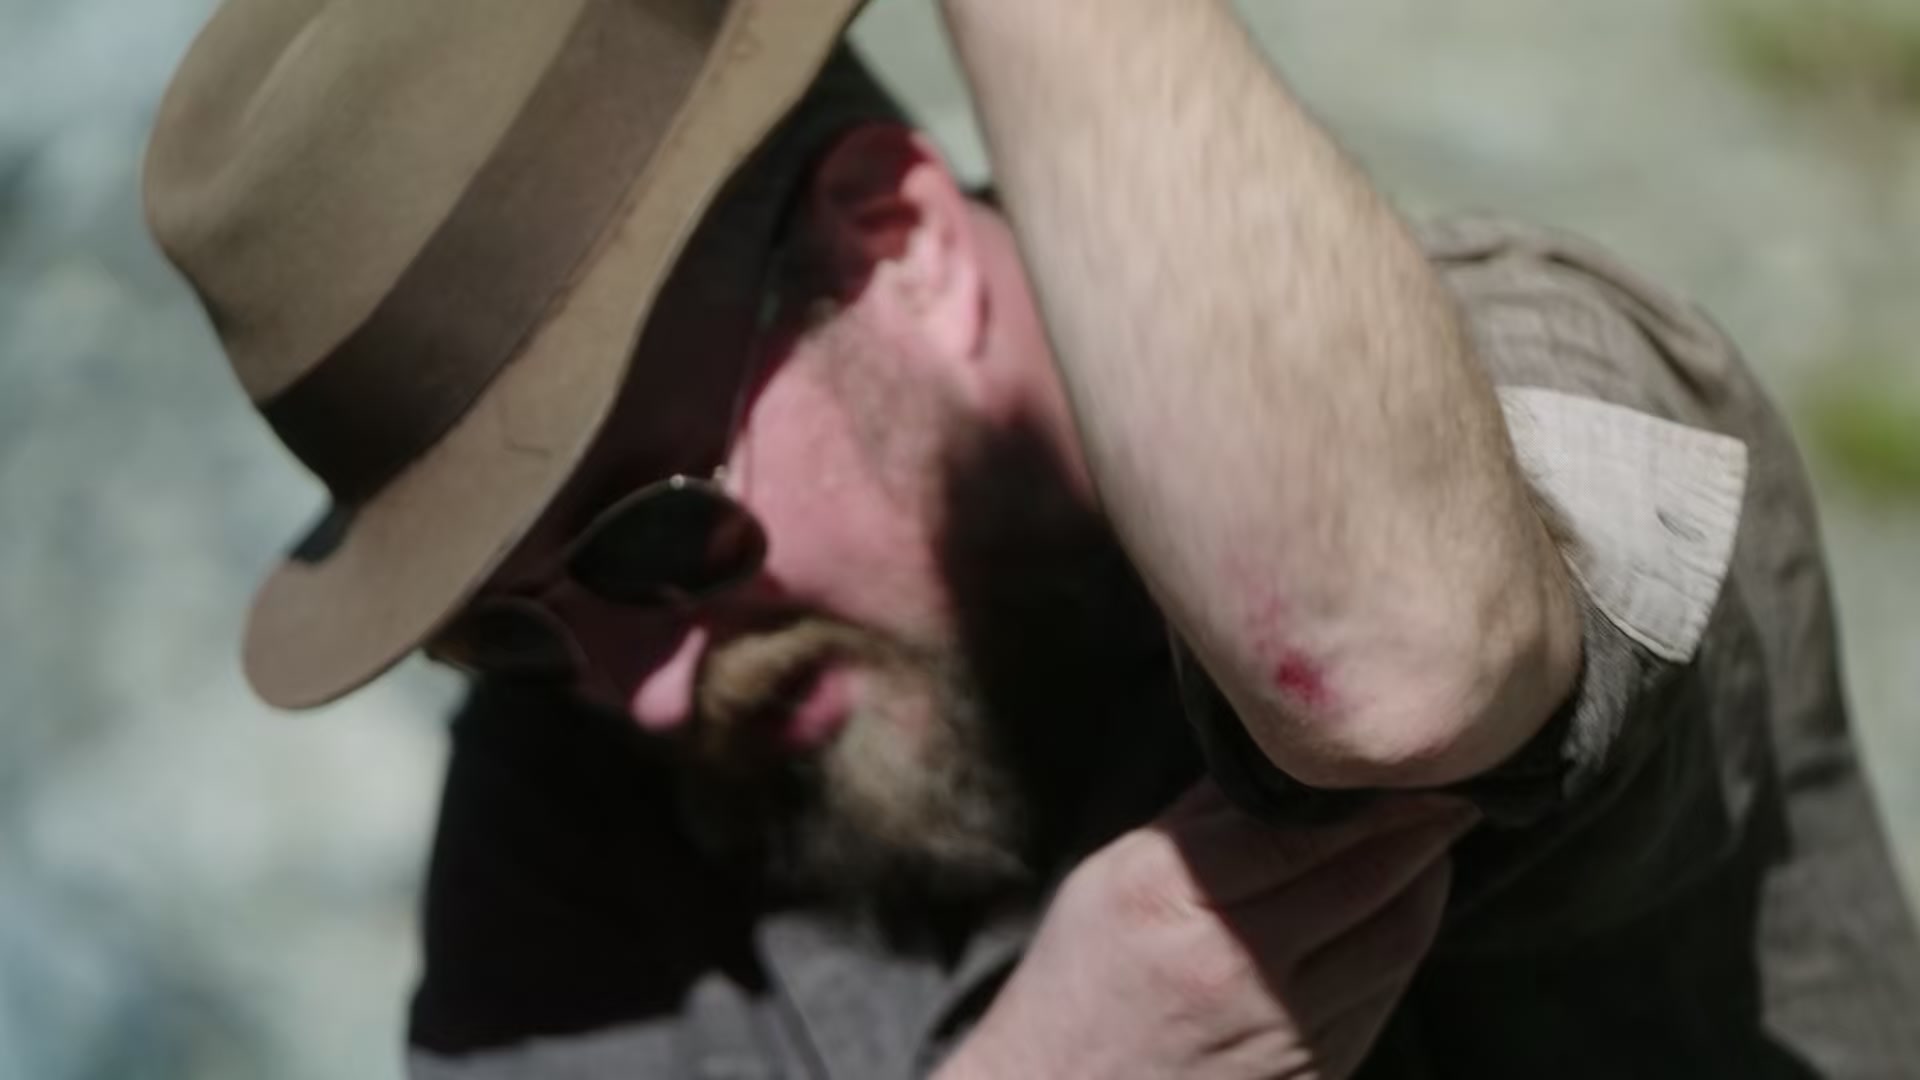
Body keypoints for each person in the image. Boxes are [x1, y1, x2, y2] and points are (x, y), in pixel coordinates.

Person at [145, 0, 1920, 1076]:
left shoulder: (1509, 372)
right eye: (504, 624)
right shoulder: (579, 773)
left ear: (899, 247)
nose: (641, 690)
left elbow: (1389, 657)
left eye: (650, 535)